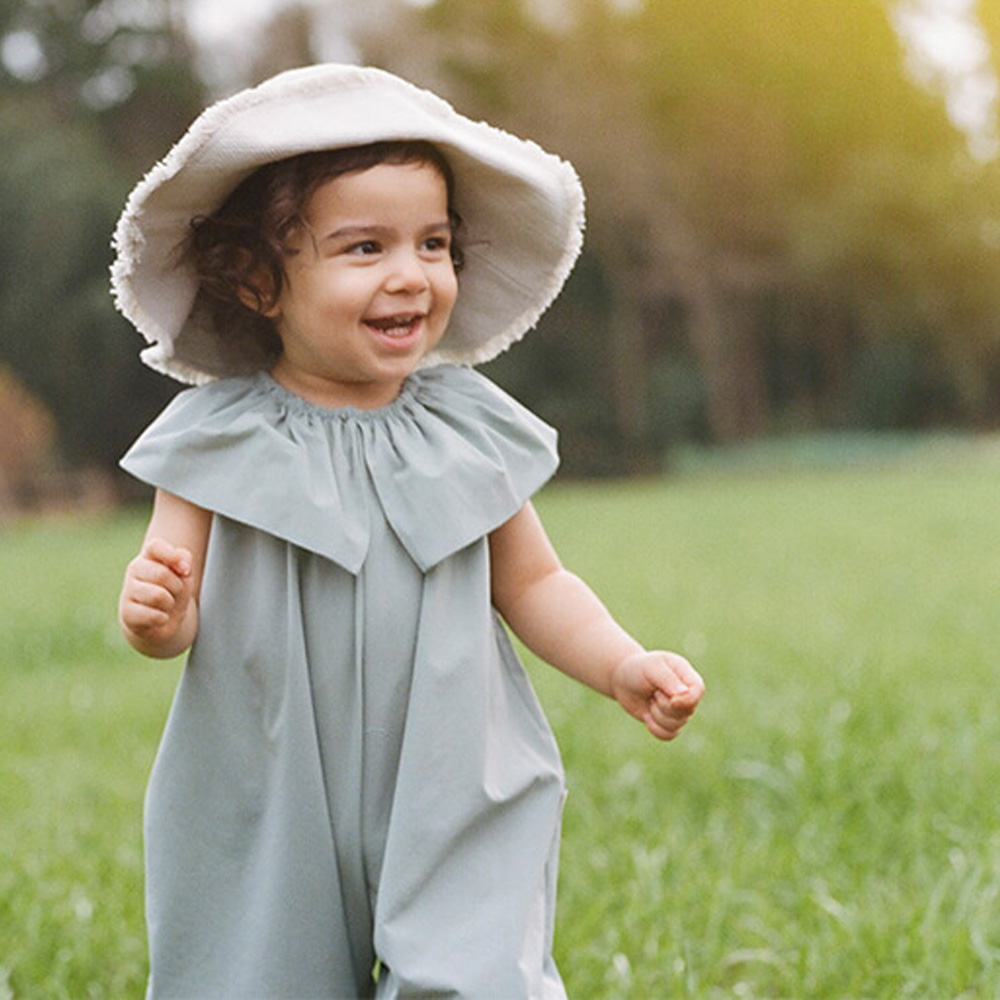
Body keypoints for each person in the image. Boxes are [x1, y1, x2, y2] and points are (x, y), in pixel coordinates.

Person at [114, 63, 704, 999]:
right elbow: (175, 602)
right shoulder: (212, 437)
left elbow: (535, 582)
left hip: (455, 760)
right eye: (364, 248)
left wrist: (621, 664)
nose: (411, 275)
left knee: (478, 974)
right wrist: (158, 618)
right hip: (270, 773)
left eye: (433, 243)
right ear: (260, 283)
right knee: (257, 972)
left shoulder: (469, 425)